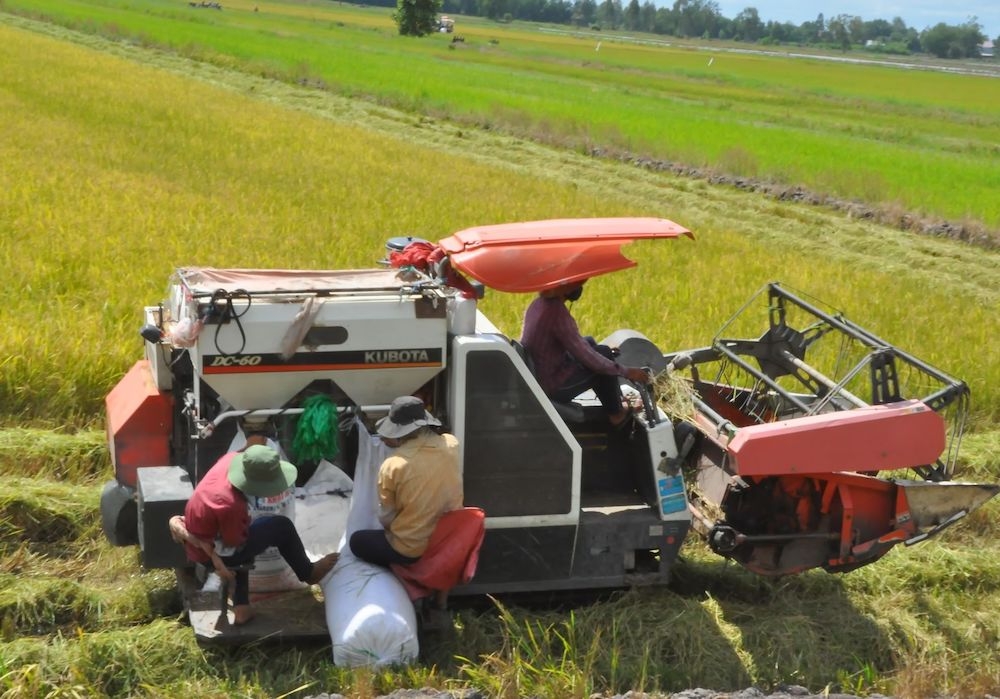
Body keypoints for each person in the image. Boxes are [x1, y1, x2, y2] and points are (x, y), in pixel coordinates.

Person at [168, 441, 338, 626]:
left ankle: (241, 608)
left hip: (201, 536)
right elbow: (235, 541)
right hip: (208, 551)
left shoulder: (229, 459)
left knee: (250, 533)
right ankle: (308, 572)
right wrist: (246, 525)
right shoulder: (231, 505)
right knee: (281, 526)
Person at [349, 396, 463, 576]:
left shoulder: (394, 464)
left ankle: (403, 574)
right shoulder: (451, 443)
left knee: (357, 541)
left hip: (412, 548)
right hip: (449, 538)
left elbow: (387, 517)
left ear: (399, 433)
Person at [520, 279, 649, 427]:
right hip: (553, 387)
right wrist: (627, 372)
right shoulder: (556, 313)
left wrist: (599, 352)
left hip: (541, 376)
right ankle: (616, 414)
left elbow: (578, 345)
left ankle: (616, 402)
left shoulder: (538, 304)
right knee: (603, 354)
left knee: (591, 343)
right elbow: (588, 357)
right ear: (566, 288)